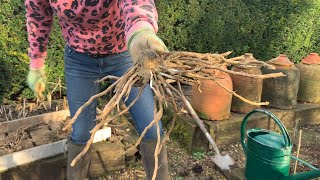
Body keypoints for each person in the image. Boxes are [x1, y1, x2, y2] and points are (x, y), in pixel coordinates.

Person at [25, 0, 169, 179]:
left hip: (123, 56)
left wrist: (140, 30)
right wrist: (36, 64)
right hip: (79, 62)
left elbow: (136, 3)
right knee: (81, 133)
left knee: (151, 126)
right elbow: (38, 15)